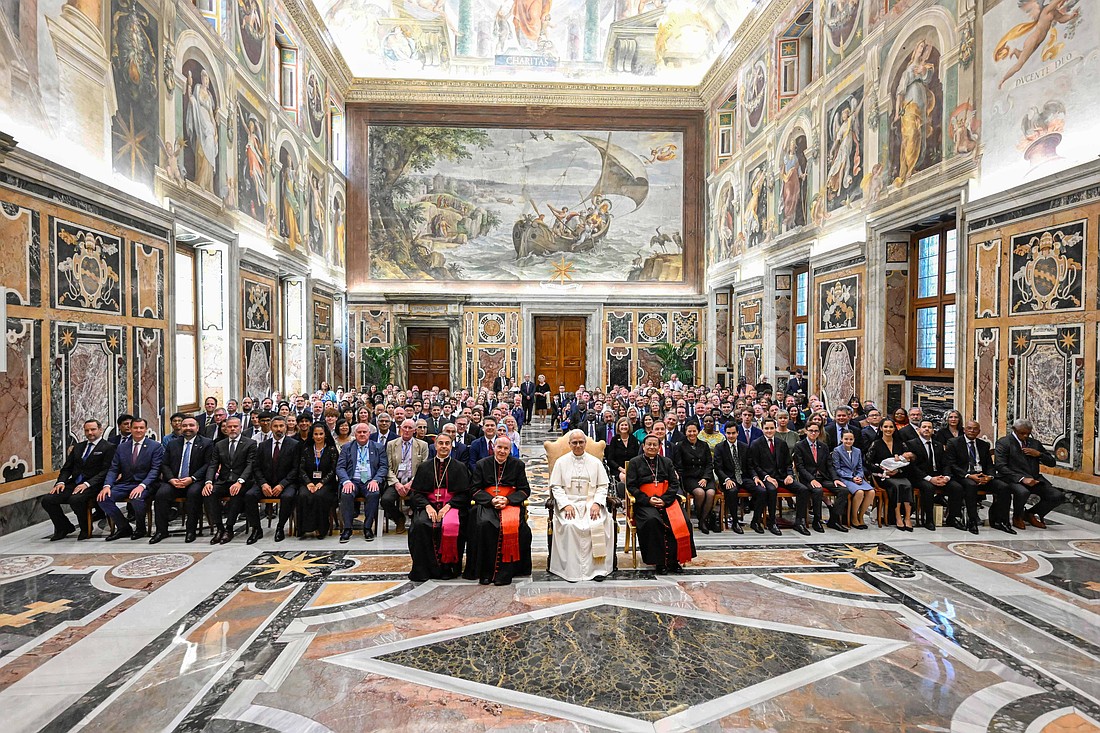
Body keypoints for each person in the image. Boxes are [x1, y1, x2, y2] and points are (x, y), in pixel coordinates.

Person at [548, 430, 614, 582]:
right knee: (570, 526)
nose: (578, 445)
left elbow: (603, 486)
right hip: (569, 503)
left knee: (598, 523)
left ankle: (598, 569)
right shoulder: (561, 462)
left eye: (581, 442)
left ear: (585, 443)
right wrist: (565, 505)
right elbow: (556, 487)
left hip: (591, 502)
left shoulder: (595, 462)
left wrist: (597, 503)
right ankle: (572, 571)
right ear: (569, 444)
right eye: (574, 442)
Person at [466, 436, 532, 586]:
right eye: (499, 447)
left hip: (510, 503)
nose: (502, 451)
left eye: (506, 448)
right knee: (485, 524)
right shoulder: (482, 464)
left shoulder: (517, 465)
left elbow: (524, 490)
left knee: (519, 528)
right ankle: (486, 573)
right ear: (494, 447)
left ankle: (507, 572)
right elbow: (474, 489)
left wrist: (508, 500)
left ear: (510, 450)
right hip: (488, 503)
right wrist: (491, 500)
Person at [626, 434, 695, 574]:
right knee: (653, 521)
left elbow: (674, 483)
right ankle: (659, 562)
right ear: (643, 446)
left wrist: (665, 499)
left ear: (659, 447)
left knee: (683, 522)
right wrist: (647, 499)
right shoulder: (635, 462)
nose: (652, 447)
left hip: (667, 499)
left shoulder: (667, 462)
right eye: (649, 444)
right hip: (645, 502)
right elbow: (631, 486)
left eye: (655, 445)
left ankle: (675, 560)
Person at [407, 432, 470, 581]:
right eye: (440, 443)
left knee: (452, 524)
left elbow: (465, 494)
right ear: (435, 446)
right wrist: (427, 507)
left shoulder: (460, 467)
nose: (443, 446)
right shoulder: (424, 467)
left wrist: (448, 506)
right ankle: (424, 569)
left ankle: (448, 568)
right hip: (428, 506)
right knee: (421, 524)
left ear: (451, 446)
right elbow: (416, 494)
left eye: (447, 443)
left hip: (452, 507)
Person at [43, 419, 117, 540]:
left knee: (76, 499)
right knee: (48, 500)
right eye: (87, 430)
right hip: (74, 483)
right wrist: (60, 482)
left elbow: (106, 471)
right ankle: (64, 527)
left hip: (94, 485)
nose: (90, 433)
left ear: (100, 430)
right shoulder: (78, 447)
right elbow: (67, 468)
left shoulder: (109, 447)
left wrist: (87, 484)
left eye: (93, 429)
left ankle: (85, 528)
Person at [98, 417, 164, 541]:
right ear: (131, 429)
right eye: (135, 428)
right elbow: (114, 469)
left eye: (141, 428)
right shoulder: (122, 447)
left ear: (145, 430)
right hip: (126, 483)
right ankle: (123, 527)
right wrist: (107, 486)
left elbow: (155, 470)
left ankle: (140, 528)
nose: (138, 430)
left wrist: (142, 485)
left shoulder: (155, 446)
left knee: (136, 498)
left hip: (147, 484)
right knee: (103, 498)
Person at [150, 416, 212, 544]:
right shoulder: (173, 443)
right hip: (174, 481)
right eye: (185, 426)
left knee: (193, 494)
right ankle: (161, 531)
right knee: (161, 494)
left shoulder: (206, 443)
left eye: (191, 425)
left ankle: (191, 531)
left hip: (195, 481)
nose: (188, 428)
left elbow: (208, 464)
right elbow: (164, 464)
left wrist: (192, 478)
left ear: (197, 428)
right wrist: (171, 479)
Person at [995, 418, 1062, 530]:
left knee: (1057, 496)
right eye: (1022, 433)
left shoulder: (1034, 443)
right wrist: (1022, 478)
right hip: (1012, 478)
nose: (1025, 436)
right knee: (1023, 492)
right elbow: (1000, 466)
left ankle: (1030, 513)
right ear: (1014, 430)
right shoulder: (1004, 442)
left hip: (1034, 478)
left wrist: (1039, 454)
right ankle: (1017, 516)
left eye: (1028, 433)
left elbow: (1052, 462)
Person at [201, 416, 259, 544]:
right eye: (229, 426)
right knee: (209, 493)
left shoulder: (250, 443)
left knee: (236, 493)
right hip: (224, 480)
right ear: (225, 428)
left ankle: (229, 528)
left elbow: (250, 465)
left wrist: (240, 481)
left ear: (240, 428)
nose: (232, 429)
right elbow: (213, 464)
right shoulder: (219, 445)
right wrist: (208, 482)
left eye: (235, 426)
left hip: (243, 482)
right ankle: (219, 528)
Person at [947, 420, 1011, 535]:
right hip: (964, 475)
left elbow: (989, 465)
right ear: (964, 430)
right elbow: (952, 464)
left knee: (1004, 487)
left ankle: (1000, 520)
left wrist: (990, 476)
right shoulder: (954, 442)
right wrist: (968, 475)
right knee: (971, 486)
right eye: (969, 428)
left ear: (979, 431)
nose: (972, 431)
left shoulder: (983, 445)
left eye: (975, 429)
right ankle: (972, 520)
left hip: (982, 475)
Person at [904, 418, 963, 531]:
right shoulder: (911, 444)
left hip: (939, 476)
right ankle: (929, 519)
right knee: (928, 488)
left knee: (957, 487)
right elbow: (913, 467)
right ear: (919, 430)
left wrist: (946, 477)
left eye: (929, 427)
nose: (927, 429)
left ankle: (953, 517)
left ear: (933, 430)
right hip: (921, 477)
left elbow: (946, 463)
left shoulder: (938, 445)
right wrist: (930, 479)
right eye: (924, 427)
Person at [749, 418, 806, 536]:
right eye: (766, 428)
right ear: (762, 429)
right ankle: (772, 522)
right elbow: (754, 465)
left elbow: (788, 463)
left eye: (771, 428)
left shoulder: (781, 443)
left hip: (782, 477)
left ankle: (799, 522)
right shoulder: (756, 444)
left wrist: (790, 475)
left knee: (803, 489)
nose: (769, 431)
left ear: (775, 428)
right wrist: (766, 477)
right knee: (771, 489)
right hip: (767, 477)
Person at [337, 422, 390, 543]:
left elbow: (383, 467)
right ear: (354, 434)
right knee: (346, 494)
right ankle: (347, 528)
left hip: (370, 481)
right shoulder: (347, 447)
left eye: (364, 432)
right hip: (353, 480)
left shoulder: (378, 447)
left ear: (369, 433)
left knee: (374, 493)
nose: (362, 434)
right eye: (359, 432)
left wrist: (376, 480)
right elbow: (340, 467)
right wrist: (346, 481)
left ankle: (367, 527)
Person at [252, 415, 299, 542]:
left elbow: (296, 469)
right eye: (276, 426)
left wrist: (282, 485)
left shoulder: (294, 445)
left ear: (286, 427)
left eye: (281, 426)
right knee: (249, 495)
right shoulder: (263, 446)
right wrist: (263, 484)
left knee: (288, 497)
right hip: (266, 483)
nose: (279, 429)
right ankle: (257, 529)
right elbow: (256, 467)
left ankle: (280, 527)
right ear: (271, 427)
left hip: (286, 483)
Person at [791, 423, 844, 535]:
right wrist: (811, 479)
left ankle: (834, 519)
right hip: (808, 478)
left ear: (819, 432)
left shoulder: (823, 446)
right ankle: (817, 520)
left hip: (823, 477)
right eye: (811, 430)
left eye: (816, 431)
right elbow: (800, 467)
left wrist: (835, 479)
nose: (813, 433)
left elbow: (829, 465)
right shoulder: (800, 445)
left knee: (843, 490)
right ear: (806, 431)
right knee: (817, 491)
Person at [865, 418, 914, 531]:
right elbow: (868, 462)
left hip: (899, 474)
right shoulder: (876, 444)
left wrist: (897, 470)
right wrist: (883, 469)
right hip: (882, 476)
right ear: (881, 428)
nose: (888, 429)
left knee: (908, 485)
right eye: (885, 427)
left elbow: (908, 462)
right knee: (897, 487)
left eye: (891, 427)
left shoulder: (900, 444)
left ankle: (907, 517)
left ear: (894, 428)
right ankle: (897, 517)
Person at [382, 419, 428, 534]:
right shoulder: (391, 444)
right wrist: (396, 483)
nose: (407, 430)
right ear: (400, 429)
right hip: (396, 481)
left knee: (416, 499)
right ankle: (399, 518)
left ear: (414, 430)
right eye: (405, 427)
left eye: (410, 428)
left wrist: (411, 483)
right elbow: (388, 467)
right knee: (385, 500)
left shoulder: (422, 445)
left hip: (414, 482)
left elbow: (424, 468)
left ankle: (415, 522)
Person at [297, 421, 339, 538]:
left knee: (319, 496)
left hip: (327, 483)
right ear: (312, 435)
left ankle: (321, 528)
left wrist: (321, 483)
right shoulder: (306, 450)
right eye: (316, 434)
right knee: (303, 495)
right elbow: (301, 469)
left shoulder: (331, 450)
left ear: (325, 435)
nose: (318, 437)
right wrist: (309, 483)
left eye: (321, 434)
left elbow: (333, 469)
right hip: (308, 482)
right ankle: (304, 528)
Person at [674, 423, 718, 534]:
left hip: (705, 476)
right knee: (700, 493)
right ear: (685, 432)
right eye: (689, 431)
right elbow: (679, 465)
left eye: (694, 431)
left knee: (711, 493)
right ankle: (701, 518)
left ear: (698, 431)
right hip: (690, 477)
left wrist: (705, 478)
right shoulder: (680, 445)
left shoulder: (704, 445)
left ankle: (702, 520)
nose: (692, 433)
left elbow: (709, 463)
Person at [712, 422, 749, 534]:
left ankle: (756, 520)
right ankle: (735, 521)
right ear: (725, 434)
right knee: (732, 491)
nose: (731, 436)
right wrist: (726, 479)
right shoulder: (720, 447)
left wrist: (756, 477)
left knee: (761, 490)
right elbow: (718, 468)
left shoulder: (745, 447)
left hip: (744, 477)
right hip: (729, 478)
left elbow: (750, 465)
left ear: (737, 433)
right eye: (728, 433)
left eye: (733, 433)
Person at [833, 430, 872, 529]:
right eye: (846, 439)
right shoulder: (837, 450)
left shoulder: (857, 451)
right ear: (841, 439)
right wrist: (852, 478)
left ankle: (861, 516)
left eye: (851, 439)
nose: (848, 441)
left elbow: (860, 467)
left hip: (857, 477)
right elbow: (837, 469)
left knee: (871, 492)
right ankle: (854, 517)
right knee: (859, 492)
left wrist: (859, 476)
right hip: (845, 478)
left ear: (854, 440)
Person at [605, 417, 639, 498]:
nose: (624, 427)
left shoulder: (633, 439)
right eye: (622, 425)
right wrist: (621, 469)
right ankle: (626, 500)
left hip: (632, 468)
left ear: (629, 426)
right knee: (624, 477)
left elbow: (637, 456)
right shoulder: (614, 440)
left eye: (626, 425)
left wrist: (630, 468)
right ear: (618, 427)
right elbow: (610, 459)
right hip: (617, 469)